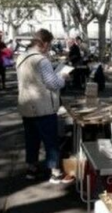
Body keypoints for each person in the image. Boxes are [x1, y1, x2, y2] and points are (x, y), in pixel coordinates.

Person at [16, 28, 72, 184]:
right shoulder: (42, 60)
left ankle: (31, 169)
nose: (50, 47)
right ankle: (55, 172)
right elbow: (52, 83)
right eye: (50, 44)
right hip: (43, 107)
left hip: (26, 105)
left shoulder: (21, 57)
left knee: (31, 139)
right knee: (50, 141)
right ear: (45, 43)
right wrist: (63, 77)